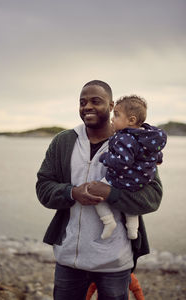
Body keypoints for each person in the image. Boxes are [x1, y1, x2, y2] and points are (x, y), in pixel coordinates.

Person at [36, 80, 163, 300]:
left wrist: (111, 194)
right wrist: (72, 193)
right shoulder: (63, 142)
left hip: (115, 262)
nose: (87, 107)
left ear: (112, 105)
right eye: (82, 102)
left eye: (96, 101)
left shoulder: (135, 143)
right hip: (69, 260)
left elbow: (153, 197)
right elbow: (43, 187)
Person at [93, 95, 167, 240]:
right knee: (131, 207)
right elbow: (157, 155)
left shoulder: (124, 137)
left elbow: (123, 162)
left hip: (124, 179)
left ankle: (108, 221)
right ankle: (133, 230)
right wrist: (157, 160)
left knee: (97, 193)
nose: (112, 119)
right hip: (142, 181)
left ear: (131, 120)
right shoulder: (147, 136)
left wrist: (105, 157)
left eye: (116, 115)